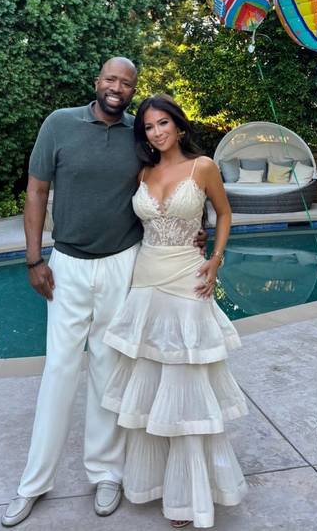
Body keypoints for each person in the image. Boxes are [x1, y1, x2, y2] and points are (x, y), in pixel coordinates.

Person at [1, 59, 207, 527]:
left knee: (109, 372)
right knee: (59, 370)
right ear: (97, 82)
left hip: (123, 263)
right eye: (111, 80)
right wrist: (34, 259)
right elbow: (36, 192)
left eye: (127, 83)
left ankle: (106, 473)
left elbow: (176, 182)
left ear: (134, 89)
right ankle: (33, 482)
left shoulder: (141, 135)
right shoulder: (59, 124)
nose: (117, 88)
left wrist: (196, 229)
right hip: (67, 265)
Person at [100, 94, 248, 528]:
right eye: (148, 127)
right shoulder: (142, 172)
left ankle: (190, 497)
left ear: (179, 126)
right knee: (150, 385)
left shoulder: (203, 166)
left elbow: (224, 214)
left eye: (163, 123)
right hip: (145, 280)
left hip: (188, 278)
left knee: (185, 385)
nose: (156, 132)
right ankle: (158, 483)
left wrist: (215, 259)